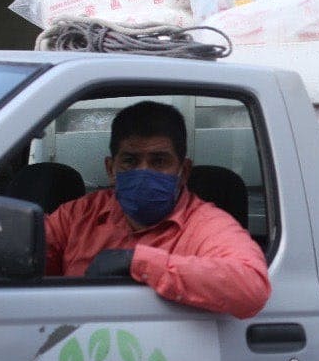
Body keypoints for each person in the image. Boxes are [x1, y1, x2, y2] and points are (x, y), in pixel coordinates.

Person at [44, 100, 271, 318]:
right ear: (111, 169)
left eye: (159, 161)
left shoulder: (205, 224)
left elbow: (251, 286)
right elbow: (28, 256)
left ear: (184, 171)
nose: (144, 173)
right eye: (130, 161)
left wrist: (137, 262)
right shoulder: (77, 216)